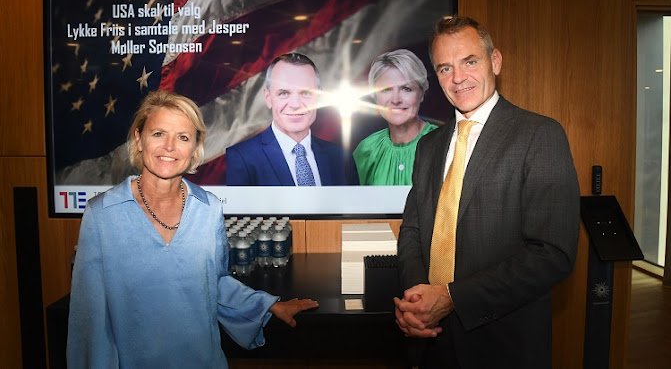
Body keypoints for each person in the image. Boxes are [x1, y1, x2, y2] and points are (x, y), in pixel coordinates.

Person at [67, 90, 318, 368]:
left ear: (195, 147)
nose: (169, 147)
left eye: (183, 137)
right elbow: (89, 321)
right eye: (159, 134)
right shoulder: (102, 214)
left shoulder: (208, 208)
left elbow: (214, 282)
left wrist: (266, 305)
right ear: (139, 139)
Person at [394, 17, 580, 368]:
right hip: (431, 341)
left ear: (495, 61)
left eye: (470, 62)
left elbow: (552, 253)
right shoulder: (428, 146)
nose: (458, 78)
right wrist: (419, 301)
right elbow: (413, 231)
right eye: (445, 68)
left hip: (502, 344)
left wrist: (451, 298)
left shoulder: (540, 135)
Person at [226, 52, 348, 186]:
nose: (295, 105)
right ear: (268, 98)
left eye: (306, 93)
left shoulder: (341, 157)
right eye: (284, 93)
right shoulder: (241, 158)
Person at [353, 49, 437, 185]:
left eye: (406, 89)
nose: (396, 100)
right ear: (375, 96)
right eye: (386, 90)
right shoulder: (366, 150)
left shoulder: (443, 144)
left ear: (421, 94)